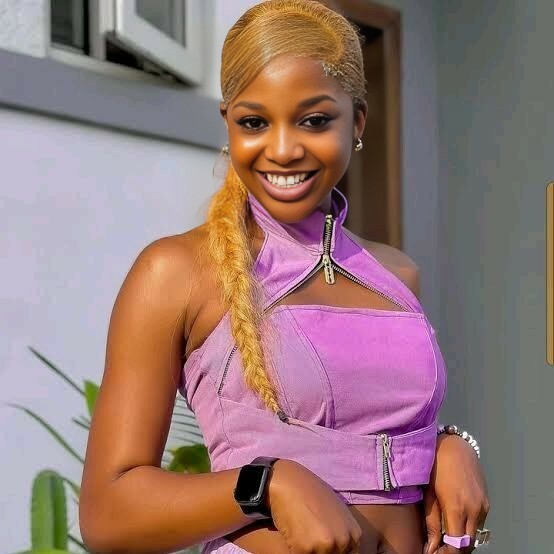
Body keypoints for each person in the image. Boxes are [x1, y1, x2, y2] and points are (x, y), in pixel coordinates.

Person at [78, 1, 490, 553]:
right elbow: (107, 514)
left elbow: (374, 436)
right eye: (254, 122)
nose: (283, 149)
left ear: (357, 122)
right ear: (228, 123)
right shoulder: (175, 273)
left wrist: (448, 447)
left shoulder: (396, 274)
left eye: (314, 120)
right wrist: (266, 485)